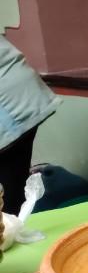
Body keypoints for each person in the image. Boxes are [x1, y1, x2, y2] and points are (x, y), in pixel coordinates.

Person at [0, 36, 59, 208]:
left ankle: (14, 217)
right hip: (20, 91)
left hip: (7, 107)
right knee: (14, 185)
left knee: (9, 195)